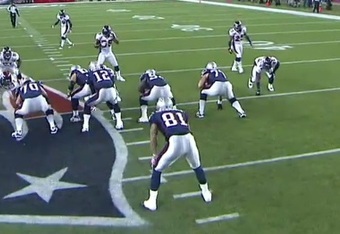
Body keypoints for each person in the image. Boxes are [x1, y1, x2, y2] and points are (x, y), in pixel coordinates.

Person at [143, 98, 212, 211]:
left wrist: (155, 154)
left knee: (157, 168)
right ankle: (206, 193)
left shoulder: (156, 116)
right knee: (197, 167)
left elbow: (153, 135)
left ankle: (152, 201)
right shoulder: (181, 113)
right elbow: (185, 127)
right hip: (189, 139)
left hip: (175, 141)